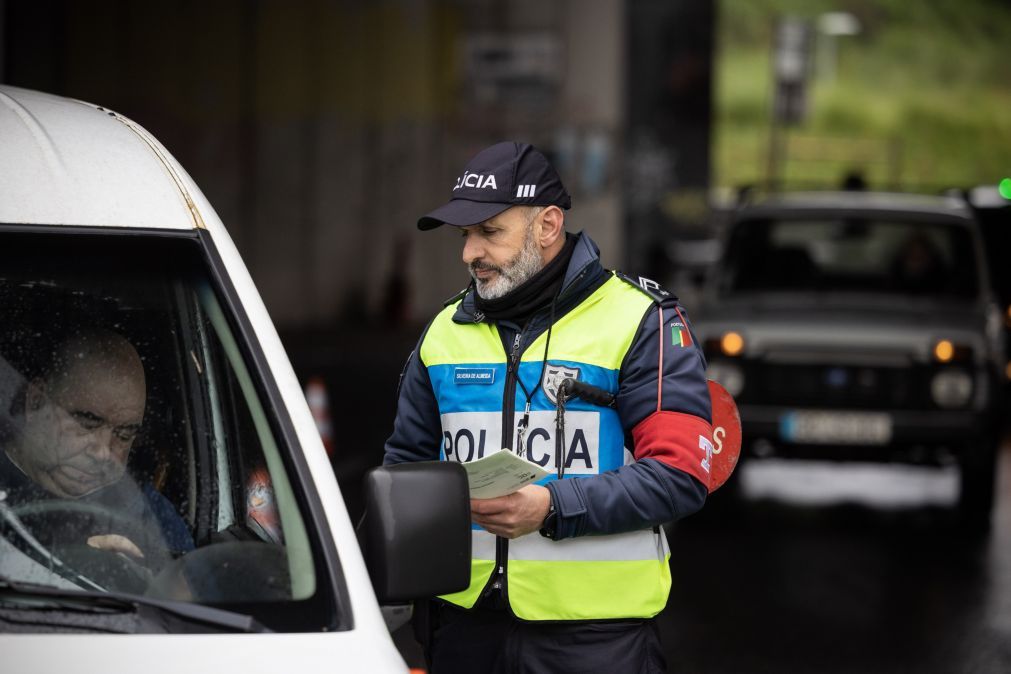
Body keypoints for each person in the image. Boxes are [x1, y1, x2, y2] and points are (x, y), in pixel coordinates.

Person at [384, 142, 714, 673]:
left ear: (548, 225)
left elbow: (681, 474)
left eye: (489, 232)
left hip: (596, 641)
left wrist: (553, 506)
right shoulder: (443, 332)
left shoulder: (641, 321)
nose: (469, 253)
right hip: (463, 634)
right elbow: (405, 475)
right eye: (465, 235)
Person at [0, 328, 192, 566]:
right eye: (86, 423)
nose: (103, 451)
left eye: (124, 435)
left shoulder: (152, 518)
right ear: (36, 401)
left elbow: (190, 595)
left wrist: (149, 586)